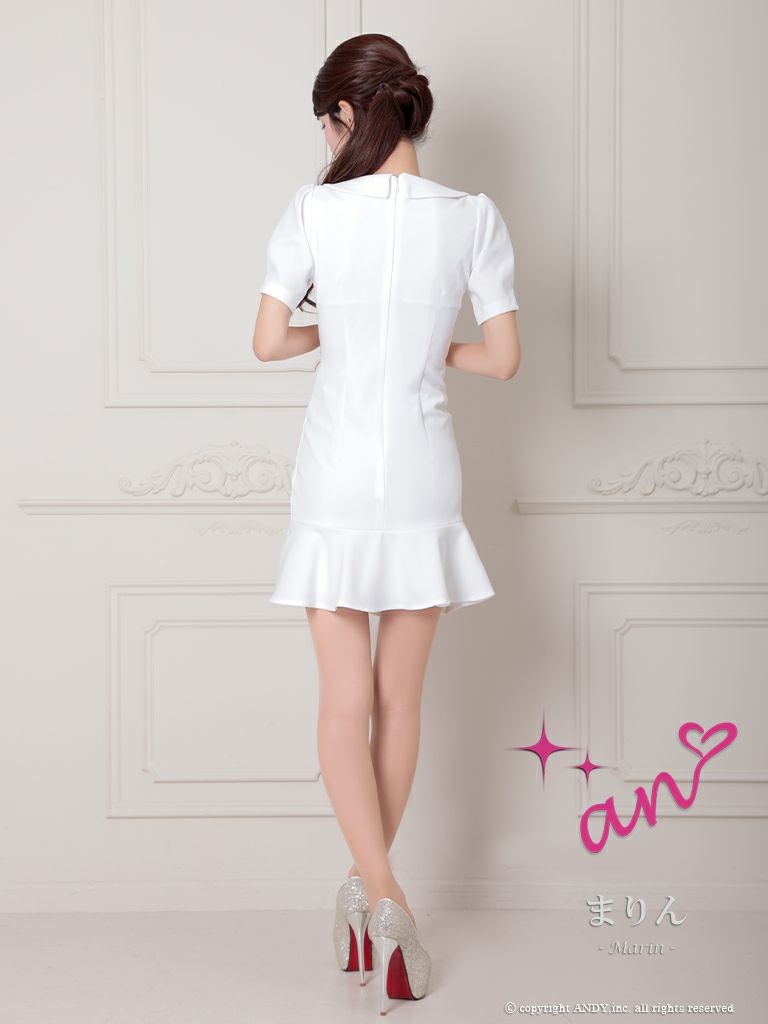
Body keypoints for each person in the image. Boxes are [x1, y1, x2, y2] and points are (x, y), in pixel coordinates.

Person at [252, 32, 521, 1014]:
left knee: (342, 704)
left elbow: (268, 340)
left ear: (343, 116)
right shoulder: (474, 216)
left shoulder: (315, 210)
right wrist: (428, 345)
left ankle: (383, 893)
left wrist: (345, 328)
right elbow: (503, 360)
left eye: (324, 123)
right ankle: (374, 890)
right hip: (422, 476)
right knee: (400, 704)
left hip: (334, 476)